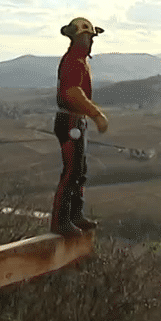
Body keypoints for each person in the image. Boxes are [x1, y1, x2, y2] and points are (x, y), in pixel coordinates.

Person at [50, 17, 109, 237]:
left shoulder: (78, 60)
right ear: (77, 38)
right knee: (71, 172)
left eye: (91, 37)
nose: (90, 41)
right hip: (70, 121)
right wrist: (96, 114)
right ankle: (61, 221)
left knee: (79, 171)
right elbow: (73, 93)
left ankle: (75, 215)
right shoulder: (74, 61)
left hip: (75, 121)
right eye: (87, 37)